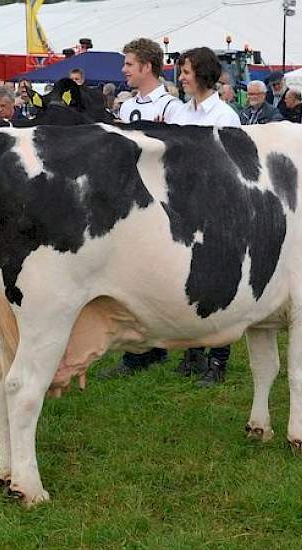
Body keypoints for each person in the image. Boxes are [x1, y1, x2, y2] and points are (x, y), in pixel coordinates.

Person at [96, 37, 185, 380]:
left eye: (129, 64)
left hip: (161, 205)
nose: (124, 70)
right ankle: (140, 347)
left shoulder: (171, 107)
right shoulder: (127, 105)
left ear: (147, 67)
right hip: (129, 201)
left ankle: (154, 348)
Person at [166, 46, 240, 387]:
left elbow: (232, 168)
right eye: (181, 71)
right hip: (183, 210)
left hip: (217, 210)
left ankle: (218, 360)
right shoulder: (180, 114)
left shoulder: (225, 117)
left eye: (186, 71)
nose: (181, 77)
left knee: (220, 285)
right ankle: (193, 351)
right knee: (189, 281)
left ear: (203, 75)